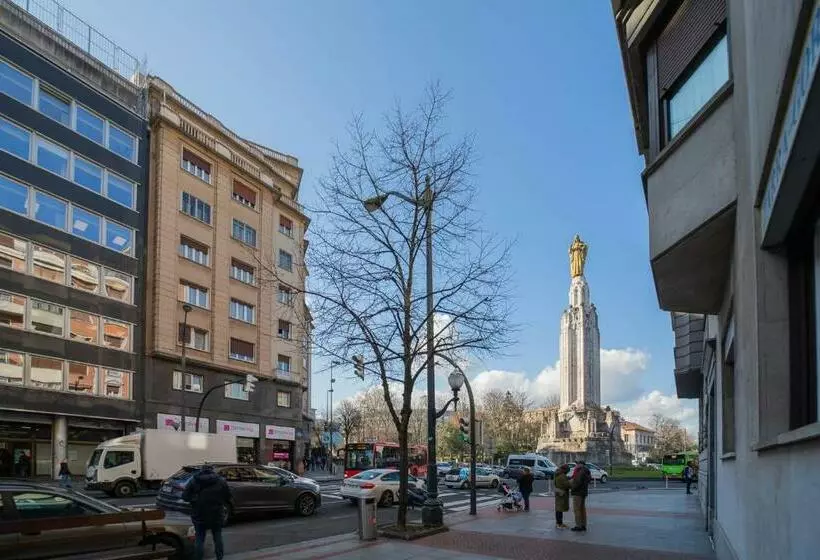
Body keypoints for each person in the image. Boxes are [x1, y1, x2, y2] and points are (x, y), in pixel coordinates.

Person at [182, 465, 232, 560]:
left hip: (199, 513)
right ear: (212, 471)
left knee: (199, 538)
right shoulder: (221, 481)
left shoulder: (194, 480)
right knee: (217, 536)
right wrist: (219, 501)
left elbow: (185, 496)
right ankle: (219, 557)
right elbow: (228, 496)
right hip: (216, 513)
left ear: (201, 471)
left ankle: (198, 557)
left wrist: (195, 499)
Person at [570, 460, 592, 532]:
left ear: (581, 464)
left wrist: (572, 488)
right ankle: (583, 525)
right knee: (582, 509)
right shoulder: (586, 471)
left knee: (577, 509)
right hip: (583, 492)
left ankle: (578, 525)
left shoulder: (581, 472)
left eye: (577, 464)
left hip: (578, 493)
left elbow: (578, 482)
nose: (576, 465)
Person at [553, 464, 571, 529]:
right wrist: (571, 481)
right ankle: (559, 524)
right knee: (559, 509)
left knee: (558, 508)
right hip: (562, 493)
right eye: (567, 470)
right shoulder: (562, 476)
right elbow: (567, 485)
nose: (567, 472)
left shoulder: (557, 474)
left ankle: (559, 523)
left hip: (558, 492)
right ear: (564, 470)